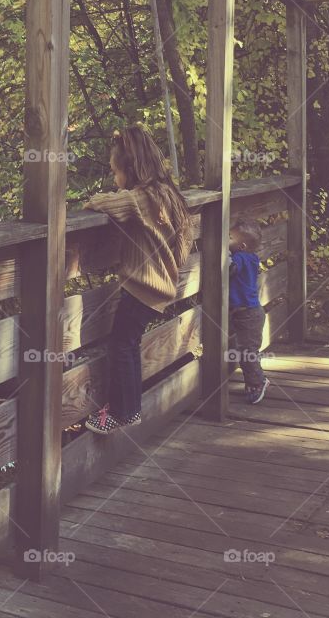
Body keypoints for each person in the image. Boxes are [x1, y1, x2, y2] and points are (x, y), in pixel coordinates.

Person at [82, 124, 196, 435]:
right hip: (160, 288)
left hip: (141, 289)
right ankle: (126, 408)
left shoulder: (139, 198)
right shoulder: (168, 194)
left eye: (114, 171)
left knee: (122, 345)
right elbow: (184, 245)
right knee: (128, 343)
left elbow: (102, 203)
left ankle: (125, 411)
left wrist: (96, 199)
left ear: (129, 170)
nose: (114, 179)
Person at [227, 218, 270, 404]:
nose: (227, 241)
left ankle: (258, 382)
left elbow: (229, 269)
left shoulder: (240, 258)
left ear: (242, 245)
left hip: (248, 315)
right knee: (246, 351)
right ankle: (255, 379)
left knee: (247, 352)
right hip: (250, 312)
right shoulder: (251, 257)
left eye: (230, 238)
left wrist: (223, 254)